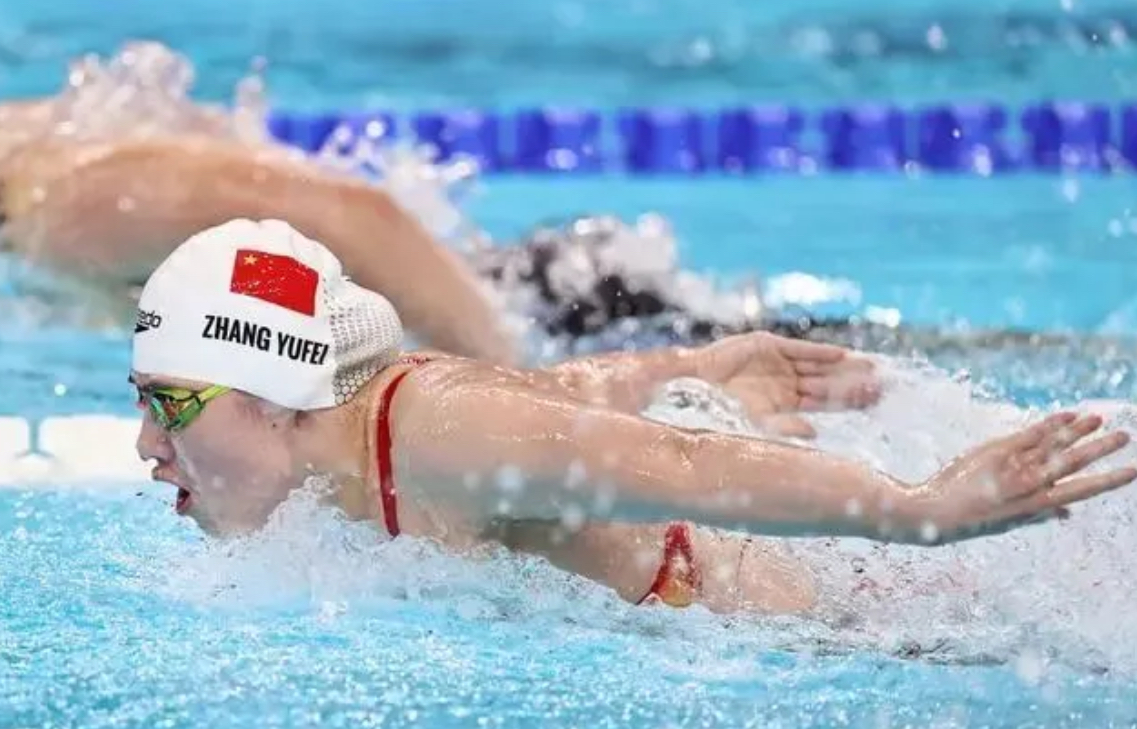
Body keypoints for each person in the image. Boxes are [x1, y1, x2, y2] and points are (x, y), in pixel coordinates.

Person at [130, 218, 1136, 615]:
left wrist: (919, 504)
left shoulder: (428, 431)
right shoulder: (369, 437)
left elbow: (685, 468)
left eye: (170, 407)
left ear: (281, 387)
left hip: (801, 607)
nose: (147, 448)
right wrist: (690, 365)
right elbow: (550, 407)